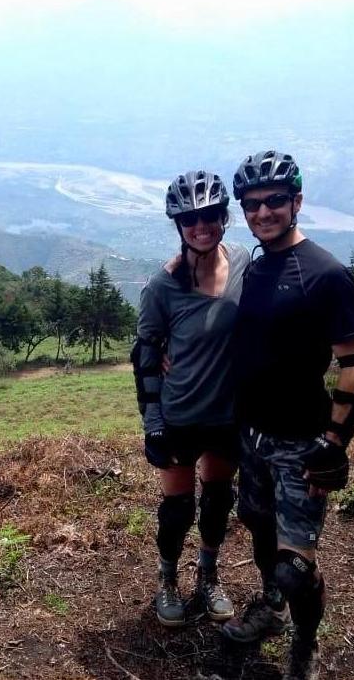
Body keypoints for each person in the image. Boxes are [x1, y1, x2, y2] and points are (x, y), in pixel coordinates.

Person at [221, 151, 354, 680]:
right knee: (257, 526)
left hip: (300, 443)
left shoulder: (326, 274)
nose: (262, 213)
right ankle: (270, 609)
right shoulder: (257, 267)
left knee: (294, 566)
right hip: (252, 435)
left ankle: (304, 645)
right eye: (252, 205)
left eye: (274, 202)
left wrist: (335, 442)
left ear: (297, 202)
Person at [131, 170, 249, 627]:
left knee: (219, 498)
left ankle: (208, 573)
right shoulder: (164, 286)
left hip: (228, 413)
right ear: (178, 225)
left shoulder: (243, 262)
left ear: (224, 217)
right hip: (181, 414)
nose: (201, 226)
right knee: (177, 508)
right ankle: (167, 581)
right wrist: (153, 421)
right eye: (190, 219)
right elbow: (144, 354)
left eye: (210, 216)